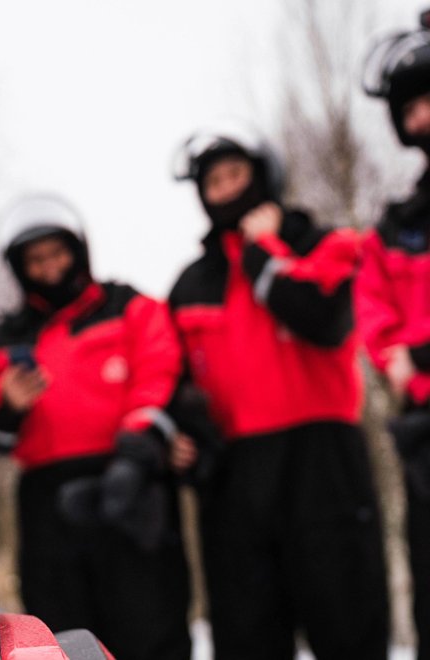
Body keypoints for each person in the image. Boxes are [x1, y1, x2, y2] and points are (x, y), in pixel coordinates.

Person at [169, 125, 389, 659]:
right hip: (237, 482)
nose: (224, 191)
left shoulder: (325, 243)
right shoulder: (190, 284)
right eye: (212, 183)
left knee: (349, 626)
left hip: (324, 465)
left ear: (265, 176)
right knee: (247, 638)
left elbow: (325, 319)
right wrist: (181, 439)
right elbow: (169, 381)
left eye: (235, 176)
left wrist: (263, 251)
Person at [0, 194, 191, 660]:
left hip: (127, 483)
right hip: (46, 503)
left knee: (151, 622)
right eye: (36, 260)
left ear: (79, 251)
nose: (49, 268)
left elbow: (160, 369)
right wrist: (7, 405)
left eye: (57, 253)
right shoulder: (4, 338)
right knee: (63, 632)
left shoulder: (128, 305)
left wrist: (140, 445)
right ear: (19, 267)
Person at [359, 19, 430, 659]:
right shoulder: (398, 224)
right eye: (411, 105)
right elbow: (377, 318)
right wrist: (399, 361)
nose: (421, 115)